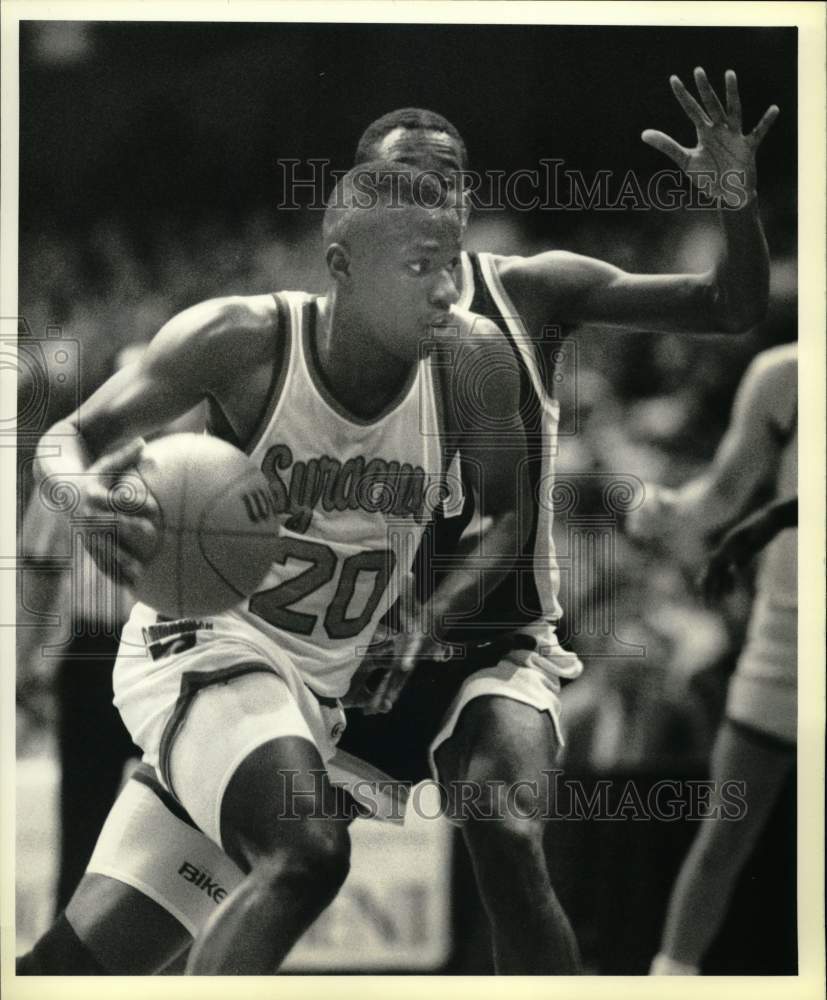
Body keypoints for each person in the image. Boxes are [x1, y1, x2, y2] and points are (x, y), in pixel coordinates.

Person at [19, 67, 779, 976]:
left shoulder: (509, 315)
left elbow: (726, 308)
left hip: (476, 636)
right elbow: (71, 434)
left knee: (498, 824)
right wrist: (82, 501)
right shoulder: (280, 335)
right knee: (118, 945)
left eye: (448, 183)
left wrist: (735, 202)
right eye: (406, 185)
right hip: (302, 650)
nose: (432, 199)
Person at [19, 162, 534, 975]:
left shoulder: (475, 365)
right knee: (307, 853)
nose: (445, 290)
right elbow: (69, 437)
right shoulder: (244, 339)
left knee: (74, 970)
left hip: (309, 698)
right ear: (341, 266)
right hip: (201, 647)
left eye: (452, 263)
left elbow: (508, 516)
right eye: (417, 266)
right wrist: (82, 499)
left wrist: (429, 616)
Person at [624, 343, 797, 975]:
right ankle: (672, 980)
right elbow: (721, 497)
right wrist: (670, 510)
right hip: (783, 643)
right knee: (726, 831)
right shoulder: (784, 376)